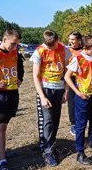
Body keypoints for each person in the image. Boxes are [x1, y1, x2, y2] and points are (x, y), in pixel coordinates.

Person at [30, 30, 71, 167]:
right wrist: (42, 96)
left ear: (57, 40)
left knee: (56, 118)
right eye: (48, 46)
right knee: (47, 120)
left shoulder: (65, 50)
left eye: (53, 45)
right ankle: (47, 151)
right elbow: (35, 76)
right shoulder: (39, 51)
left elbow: (66, 72)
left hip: (59, 89)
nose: (50, 48)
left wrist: (66, 90)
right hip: (45, 90)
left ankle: (51, 145)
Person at [65, 35, 92, 166]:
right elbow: (67, 77)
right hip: (83, 97)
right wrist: (77, 92)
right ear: (87, 47)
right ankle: (80, 153)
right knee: (81, 125)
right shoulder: (78, 59)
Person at [0, 29, 24, 170]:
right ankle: (2, 159)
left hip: (12, 94)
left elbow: (20, 67)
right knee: (1, 127)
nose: (14, 47)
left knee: (3, 125)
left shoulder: (15, 53)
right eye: (12, 43)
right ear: (4, 39)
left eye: (17, 44)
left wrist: (20, 79)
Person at [67, 31, 83, 136]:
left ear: (79, 40)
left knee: (82, 101)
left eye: (73, 39)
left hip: (82, 79)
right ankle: (73, 124)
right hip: (70, 79)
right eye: (70, 39)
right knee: (71, 101)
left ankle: (83, 120)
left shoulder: (83, 50)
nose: (71, 41)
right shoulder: (67, 50)